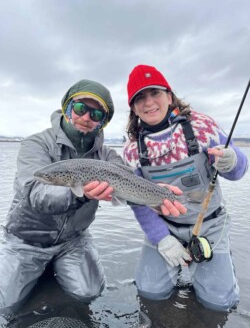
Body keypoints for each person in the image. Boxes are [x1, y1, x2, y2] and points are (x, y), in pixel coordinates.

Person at [0, 78, 186, 317]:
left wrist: (154, 194)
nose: (86, 117)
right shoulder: (36, 144)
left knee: (89, 293)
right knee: (4, 304)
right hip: (25, 241)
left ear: (103, 122)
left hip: (73, 240)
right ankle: (37, 274)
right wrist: (77, 194)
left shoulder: (107, 156)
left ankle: (48, 274)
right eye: (80, 108)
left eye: (96, 114)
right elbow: (35, 193)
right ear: (67, 108)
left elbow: (128, 185)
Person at [122, 64, 248, 311]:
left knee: (220, 303)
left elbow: (239, 172)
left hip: (210, 224)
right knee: (150, 292)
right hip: (164, 226)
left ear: (169, 96)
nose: (149, 103)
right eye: (140, 98)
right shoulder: (131, 151)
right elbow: (137, 201)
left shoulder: (202, 127)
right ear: (133, 108)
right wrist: (161, 239)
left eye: (155, 93)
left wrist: (231, 160)